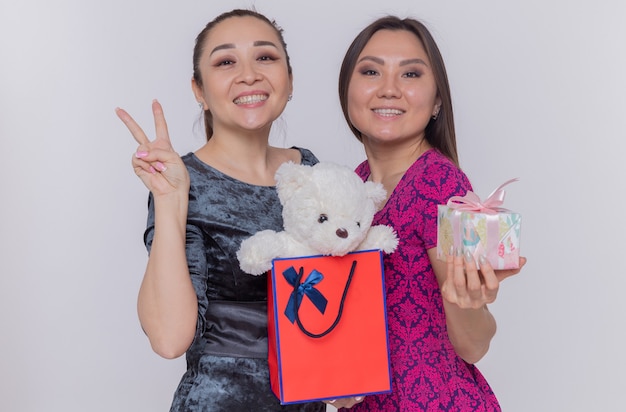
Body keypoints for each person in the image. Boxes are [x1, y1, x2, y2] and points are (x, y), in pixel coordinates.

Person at [115, 9, 325, 412]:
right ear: (199, 90)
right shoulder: (182, 180)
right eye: (226, 61)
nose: (249, 74)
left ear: (290, 80)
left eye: (265, 57)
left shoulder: (312, 171)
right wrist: (170, 199)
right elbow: (168, 339)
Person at [330, 16, 527, 411]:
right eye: (371, 71)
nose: (389, 89)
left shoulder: (442, 187)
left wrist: (464, 302)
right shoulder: (355, 184)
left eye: (411, 74)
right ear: (346, 90)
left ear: (437, 100)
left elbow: (473, 344)